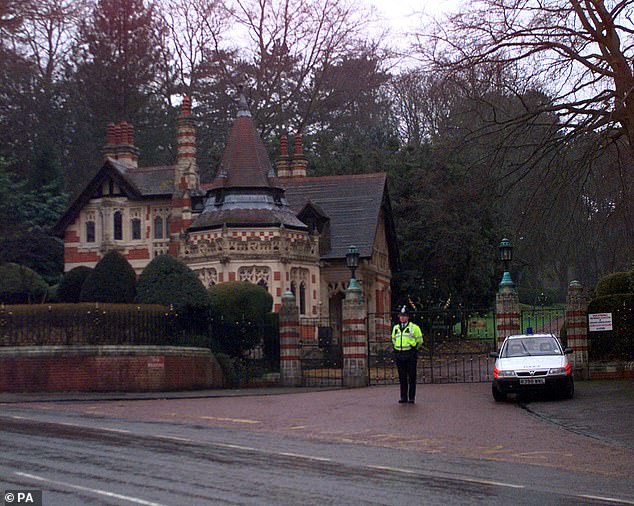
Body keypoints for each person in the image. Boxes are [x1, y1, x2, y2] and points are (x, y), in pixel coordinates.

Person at [391, 305, 423, 403]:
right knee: (402, 377)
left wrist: (414, 349)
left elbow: (420, 341)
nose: (402, 317)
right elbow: (393, 340)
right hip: (399, 354)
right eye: (401, 316)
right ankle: (403, 397)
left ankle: (411, 397)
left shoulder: (414, 328)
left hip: (410, 354)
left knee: (411, 376)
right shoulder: (396, 328)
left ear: (408, 317)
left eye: (404, 316)